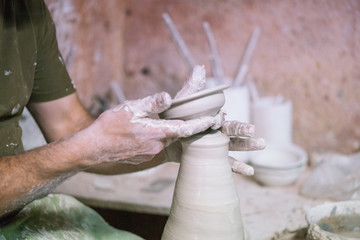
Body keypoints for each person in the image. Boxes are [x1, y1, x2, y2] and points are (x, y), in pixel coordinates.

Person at [0, 0, 265, 238]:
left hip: (17, 213)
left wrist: (170, 144)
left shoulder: (27, 11)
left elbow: (68, 125)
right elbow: (82, 144)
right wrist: (86, 149)